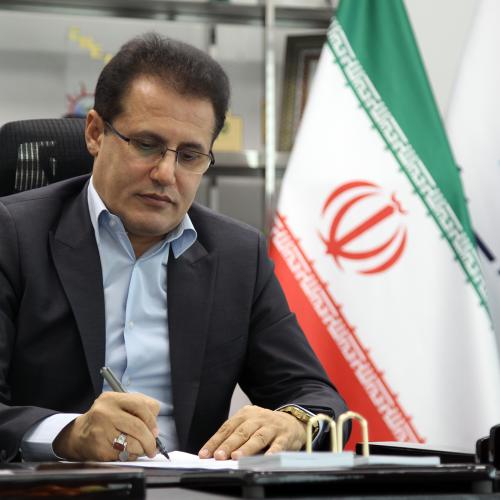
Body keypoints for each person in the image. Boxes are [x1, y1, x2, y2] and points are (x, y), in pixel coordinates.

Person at [0, 33, 348, 463]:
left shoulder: (238, 255)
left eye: (190, 156)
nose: (166, 173)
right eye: (147, 145)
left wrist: (292, 423)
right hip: (52, 485)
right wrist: (68, 434)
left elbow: (314, 395)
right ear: (95, 133)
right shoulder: (12, 235)